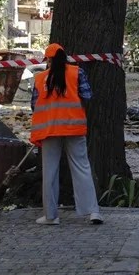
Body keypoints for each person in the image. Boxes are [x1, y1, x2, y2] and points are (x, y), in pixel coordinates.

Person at [31, 43, 103, 225]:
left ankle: (50, 216)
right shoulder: (77, 73)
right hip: (74, 128)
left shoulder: (40, 79)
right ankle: (93, 212)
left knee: (50, 172)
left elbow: (34, 105)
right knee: (82, 168)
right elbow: (87, 95)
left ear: (48, 59)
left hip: (49, 131)